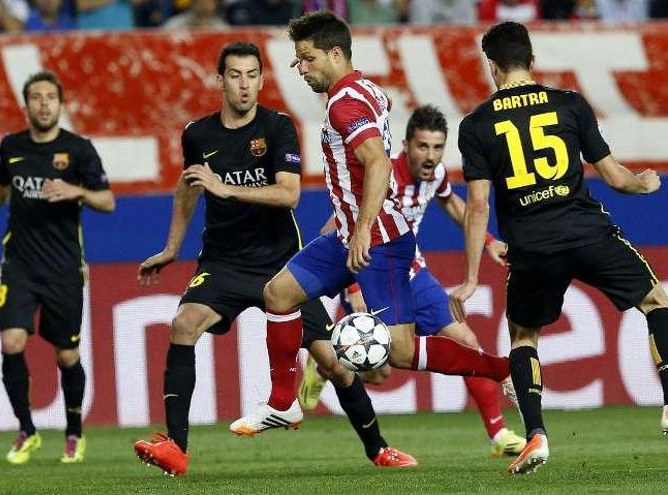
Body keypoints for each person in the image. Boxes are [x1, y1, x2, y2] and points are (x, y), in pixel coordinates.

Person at [132, 41, 418, 476]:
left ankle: (378, 448)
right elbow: (188, 186)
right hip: (223, 262)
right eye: (234, 75)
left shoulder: (279, 127)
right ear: (220, 80)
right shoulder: (198, 134)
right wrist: (172, 247)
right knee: (183, 323)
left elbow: (289, 194)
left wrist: (227, 189)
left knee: (334, 364)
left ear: (262, 80)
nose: (244, 85)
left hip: (281, 264)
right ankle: (175, 446)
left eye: (252, 75)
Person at [231, 10, 514, 440]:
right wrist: (354, 228)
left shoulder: (345, 105)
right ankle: (283, 404)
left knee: (399, 353)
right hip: (348, 236)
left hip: (378, 241)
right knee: (278, 294)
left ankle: (503, 368)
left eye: (306, 59)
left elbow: (378, 162)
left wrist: (363, 227)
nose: (300, 69)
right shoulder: (367, 89)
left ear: (335, 53)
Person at [450, 21, 668, 475]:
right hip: (586, 232)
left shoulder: (476, 124)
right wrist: (642, 183)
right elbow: (613, 176)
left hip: (532, 247)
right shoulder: (569, 104)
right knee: (655, 300)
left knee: (524, 337)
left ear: (492, 66)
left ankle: (536, 435)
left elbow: (476, 206)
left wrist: (472, 277)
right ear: (532, 61)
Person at [299, 105, 526, 457]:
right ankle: (328, 361)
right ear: (405, 145)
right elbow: (336, 229)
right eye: (423, 147)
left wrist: (489, 240)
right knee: (379, 373)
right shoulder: (384, 178)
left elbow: (454, 207)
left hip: (413, 274)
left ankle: (498, 435)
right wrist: (352, 286)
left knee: (466, 340)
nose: (431, 156)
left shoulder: (434, 176)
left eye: (437, 147)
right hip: (371, 272)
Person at [0, 70, 115, 465]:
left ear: (60, 103)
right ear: (26, 105)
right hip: (18, 263)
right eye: (36, 97)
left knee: (66, 355)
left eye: (51, 96)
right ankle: (26, 430)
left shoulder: (79, 150)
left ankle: (74, 433)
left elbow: (107, 201)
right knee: (11, 342)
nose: (44, 103)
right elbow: (2, 184)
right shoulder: (12, 146)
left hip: (63, 268)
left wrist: (76, 191)